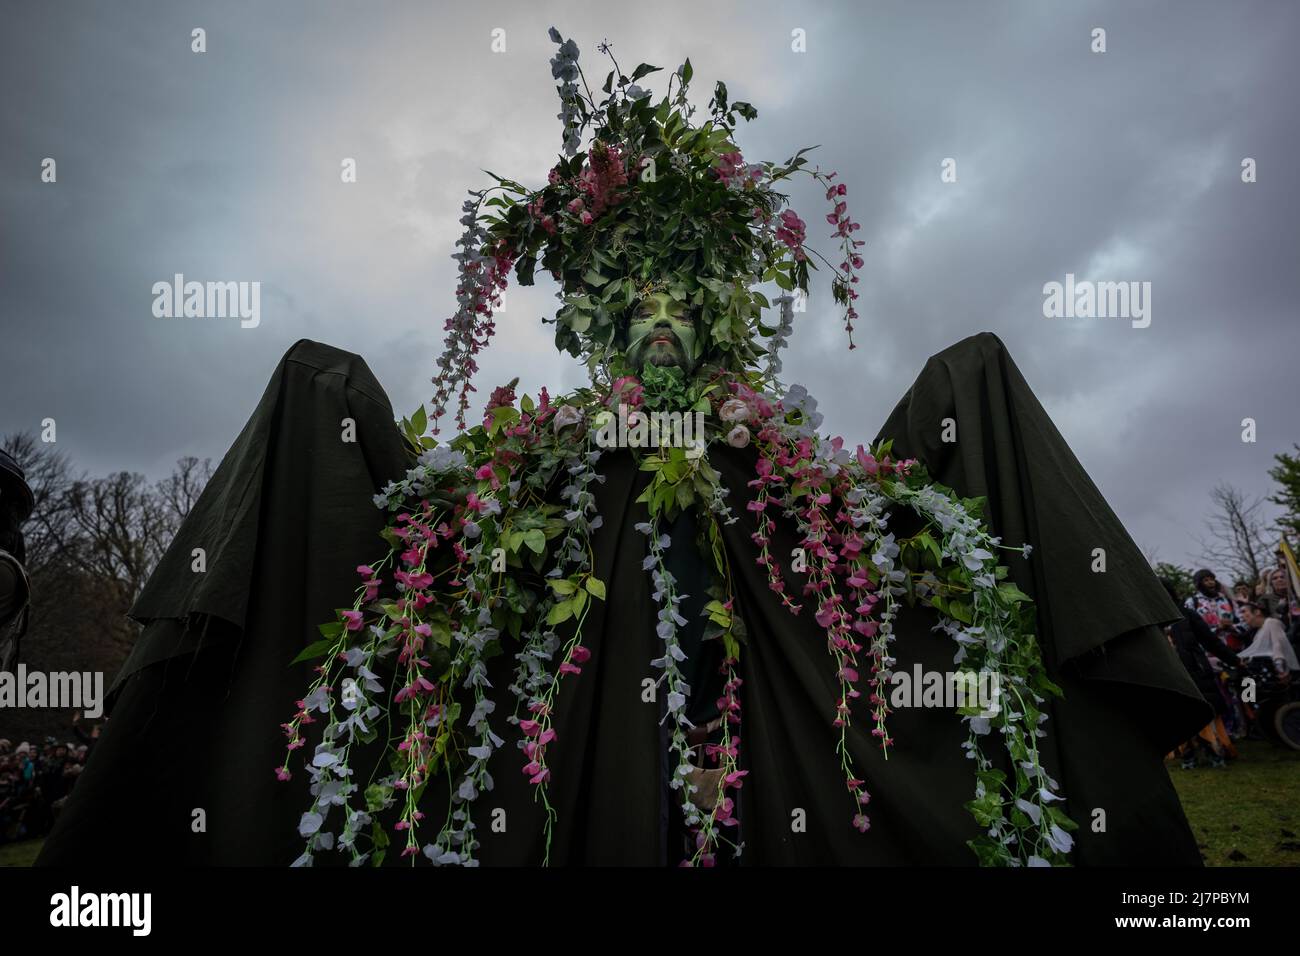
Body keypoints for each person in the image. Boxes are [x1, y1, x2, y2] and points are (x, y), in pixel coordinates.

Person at [37, 29, 1210, 869]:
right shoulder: (543, 466)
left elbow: (857, 498)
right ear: (598, 312)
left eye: (680, 292)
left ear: (715, 305)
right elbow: (451, 517)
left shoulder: (777, 467)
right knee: (313, 379)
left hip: (746, 541)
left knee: (976, 372)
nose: (658, 316)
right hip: (590, 555)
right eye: (630, 292)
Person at [1160, 579, 1239, 768]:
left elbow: (1211, 641)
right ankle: (1188, 755)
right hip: (1170, 675)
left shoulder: (1187, 615)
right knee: (1180, 715)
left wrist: (1234, 660)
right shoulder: (1150, 620)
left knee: (1206, 714)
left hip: (1196, 671)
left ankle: (1215, 752)